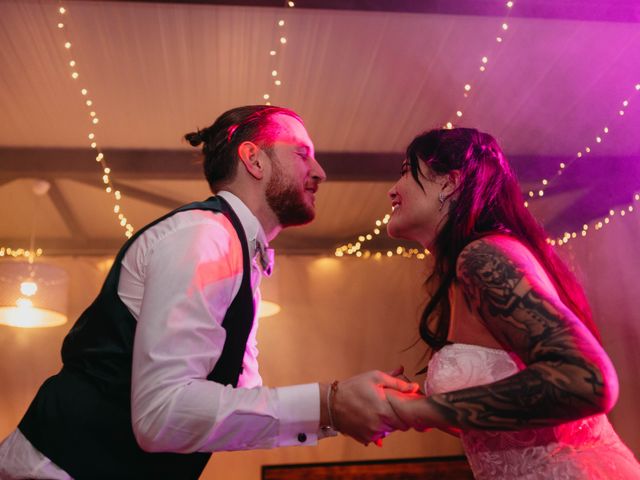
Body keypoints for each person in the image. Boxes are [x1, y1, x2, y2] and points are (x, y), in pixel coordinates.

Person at [0, 105, 416, 480]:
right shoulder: (203, 236)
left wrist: (342, 410)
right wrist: (330, 403)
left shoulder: (238, 250)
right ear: (253, 159)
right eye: (302, 153)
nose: (321, 171)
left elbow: (241, 403)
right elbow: (161, 415)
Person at [382, 127, 640, 479]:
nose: (392, 190)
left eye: (404, 172)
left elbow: (587, 380)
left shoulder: (481, 257)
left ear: (450, 183)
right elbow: (517, 420)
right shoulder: (465, 271)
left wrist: (419, 411)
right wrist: (410, 404)